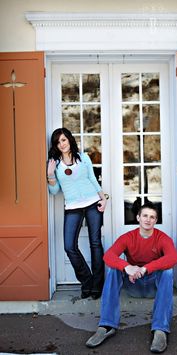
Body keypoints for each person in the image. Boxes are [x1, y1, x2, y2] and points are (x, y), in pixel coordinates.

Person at [86, 202, 177, 353]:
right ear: (138, 218)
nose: (148, 220)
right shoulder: (128, 237)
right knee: (113, 270)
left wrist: (145, 268)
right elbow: (108, 256)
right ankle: (106, 325)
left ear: (156, 220)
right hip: (132, 284)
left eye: (152, 217)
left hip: (152, 285)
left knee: (167, 272)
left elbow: (173, 257)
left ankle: (160, 329)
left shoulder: (163, 238)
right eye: (145, 216)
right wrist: (127, 267)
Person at [47, 127, 107, 300]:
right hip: (72, 206)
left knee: (95, 243)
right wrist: (50, 175)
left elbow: (93, 180)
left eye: (64, 140)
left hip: (92, 203)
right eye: (58, 142)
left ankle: (97, 285)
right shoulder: (54, 163)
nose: (61, 144)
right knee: (69, 246)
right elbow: (55, 191)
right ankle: (86, 280)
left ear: (69, 140)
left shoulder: (83, 157)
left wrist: (103, 198)